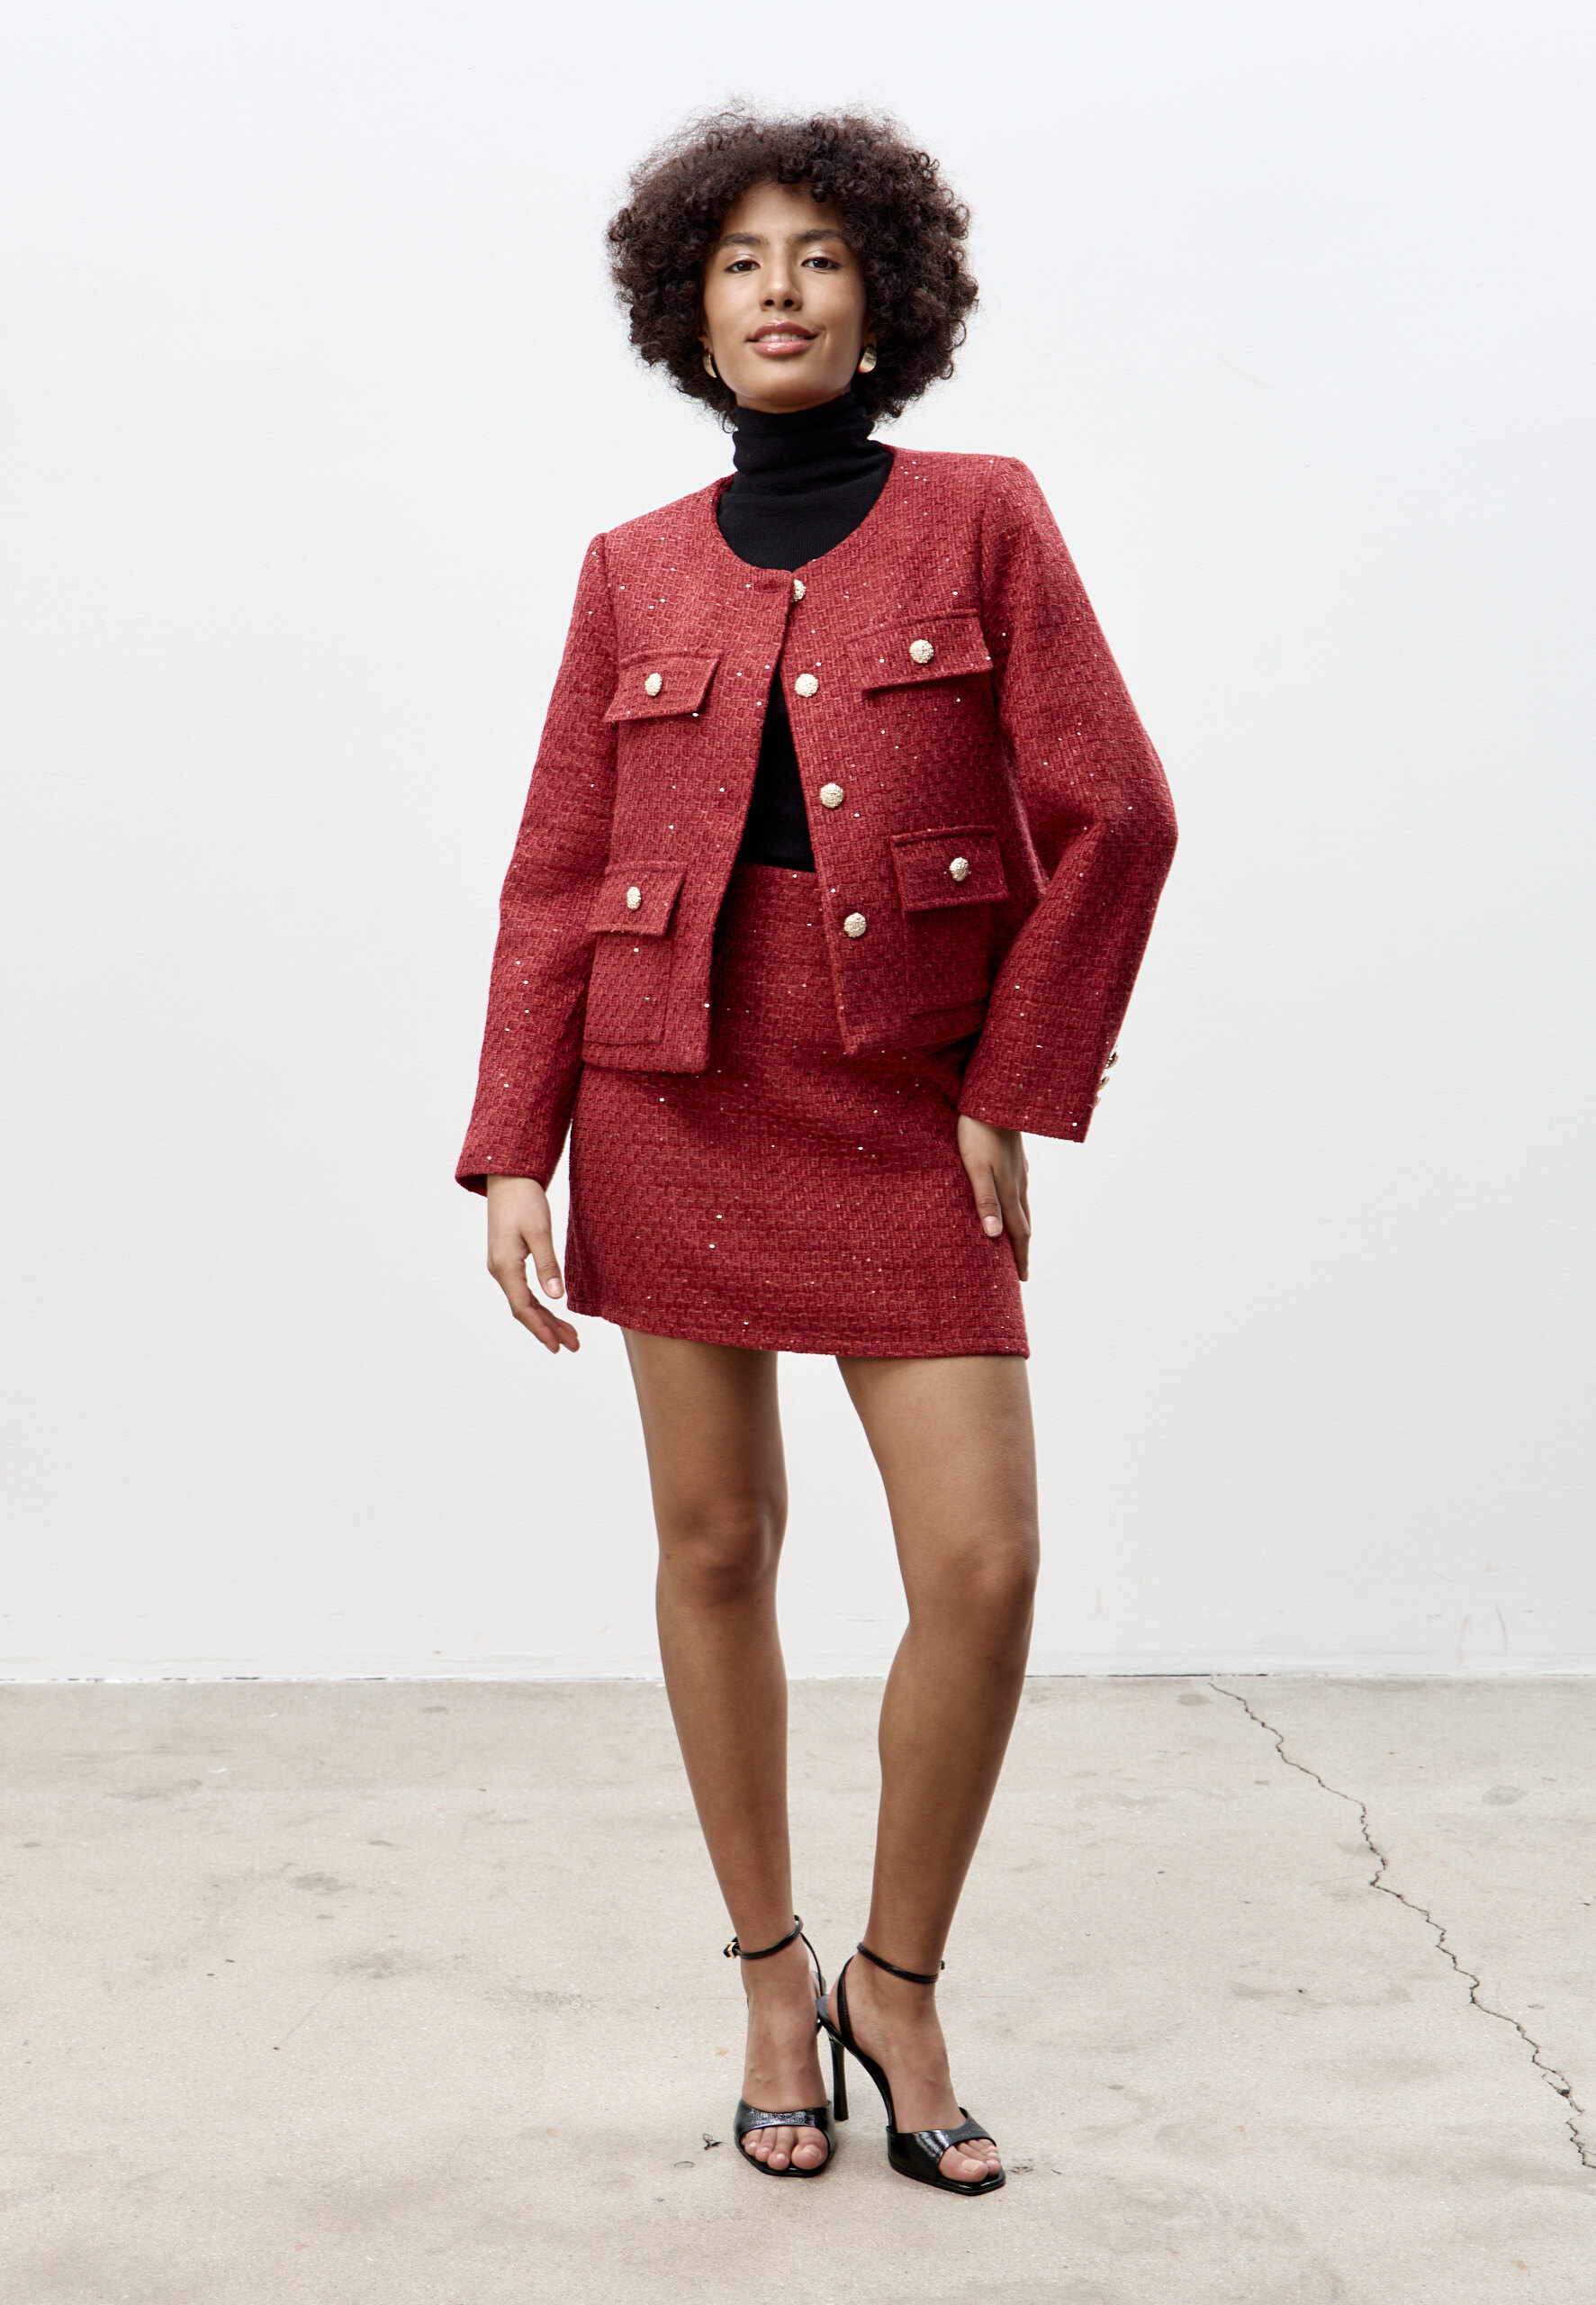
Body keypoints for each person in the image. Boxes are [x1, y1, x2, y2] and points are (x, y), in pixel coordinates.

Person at [456, 108, 1177, 2196]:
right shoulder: (628, 566)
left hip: (897, 1101)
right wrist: (513, 1147)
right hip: (664, 1090)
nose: (778, 290)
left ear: (886, 302)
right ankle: (773, 1976)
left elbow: (1117, 811)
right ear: (687, 308)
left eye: (821, 257)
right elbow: (555, 874)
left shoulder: (982, 516)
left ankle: (897, 1976)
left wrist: (1007, 1081)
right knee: (714, 1545)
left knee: (980, 1563)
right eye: (739, 260)